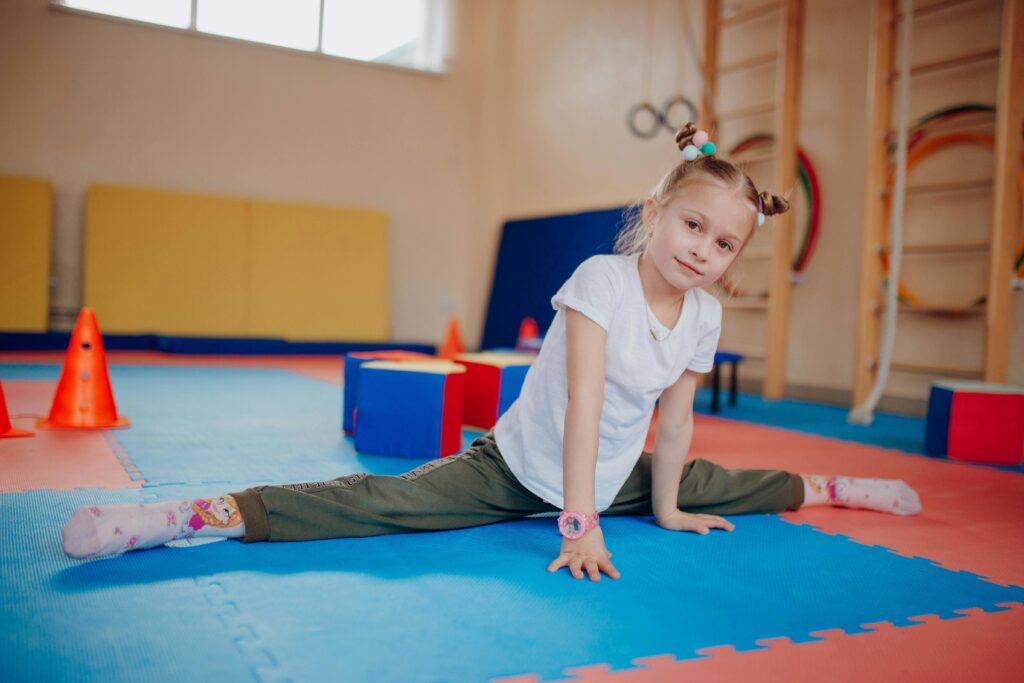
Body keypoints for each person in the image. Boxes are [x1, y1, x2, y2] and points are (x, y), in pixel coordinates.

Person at [62, 124, 922, 578]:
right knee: (380, 501)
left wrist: (660, 510)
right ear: (658, 213)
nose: (703, 249)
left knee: (715, 483)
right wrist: (577, 524)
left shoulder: (701, 318)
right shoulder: (599, 280)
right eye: (693, 224)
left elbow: (679, 421)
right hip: (519, 465)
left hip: (617, 467)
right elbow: (583, 405)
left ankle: (836, 486)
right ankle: (186, 518)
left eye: (725, 243)